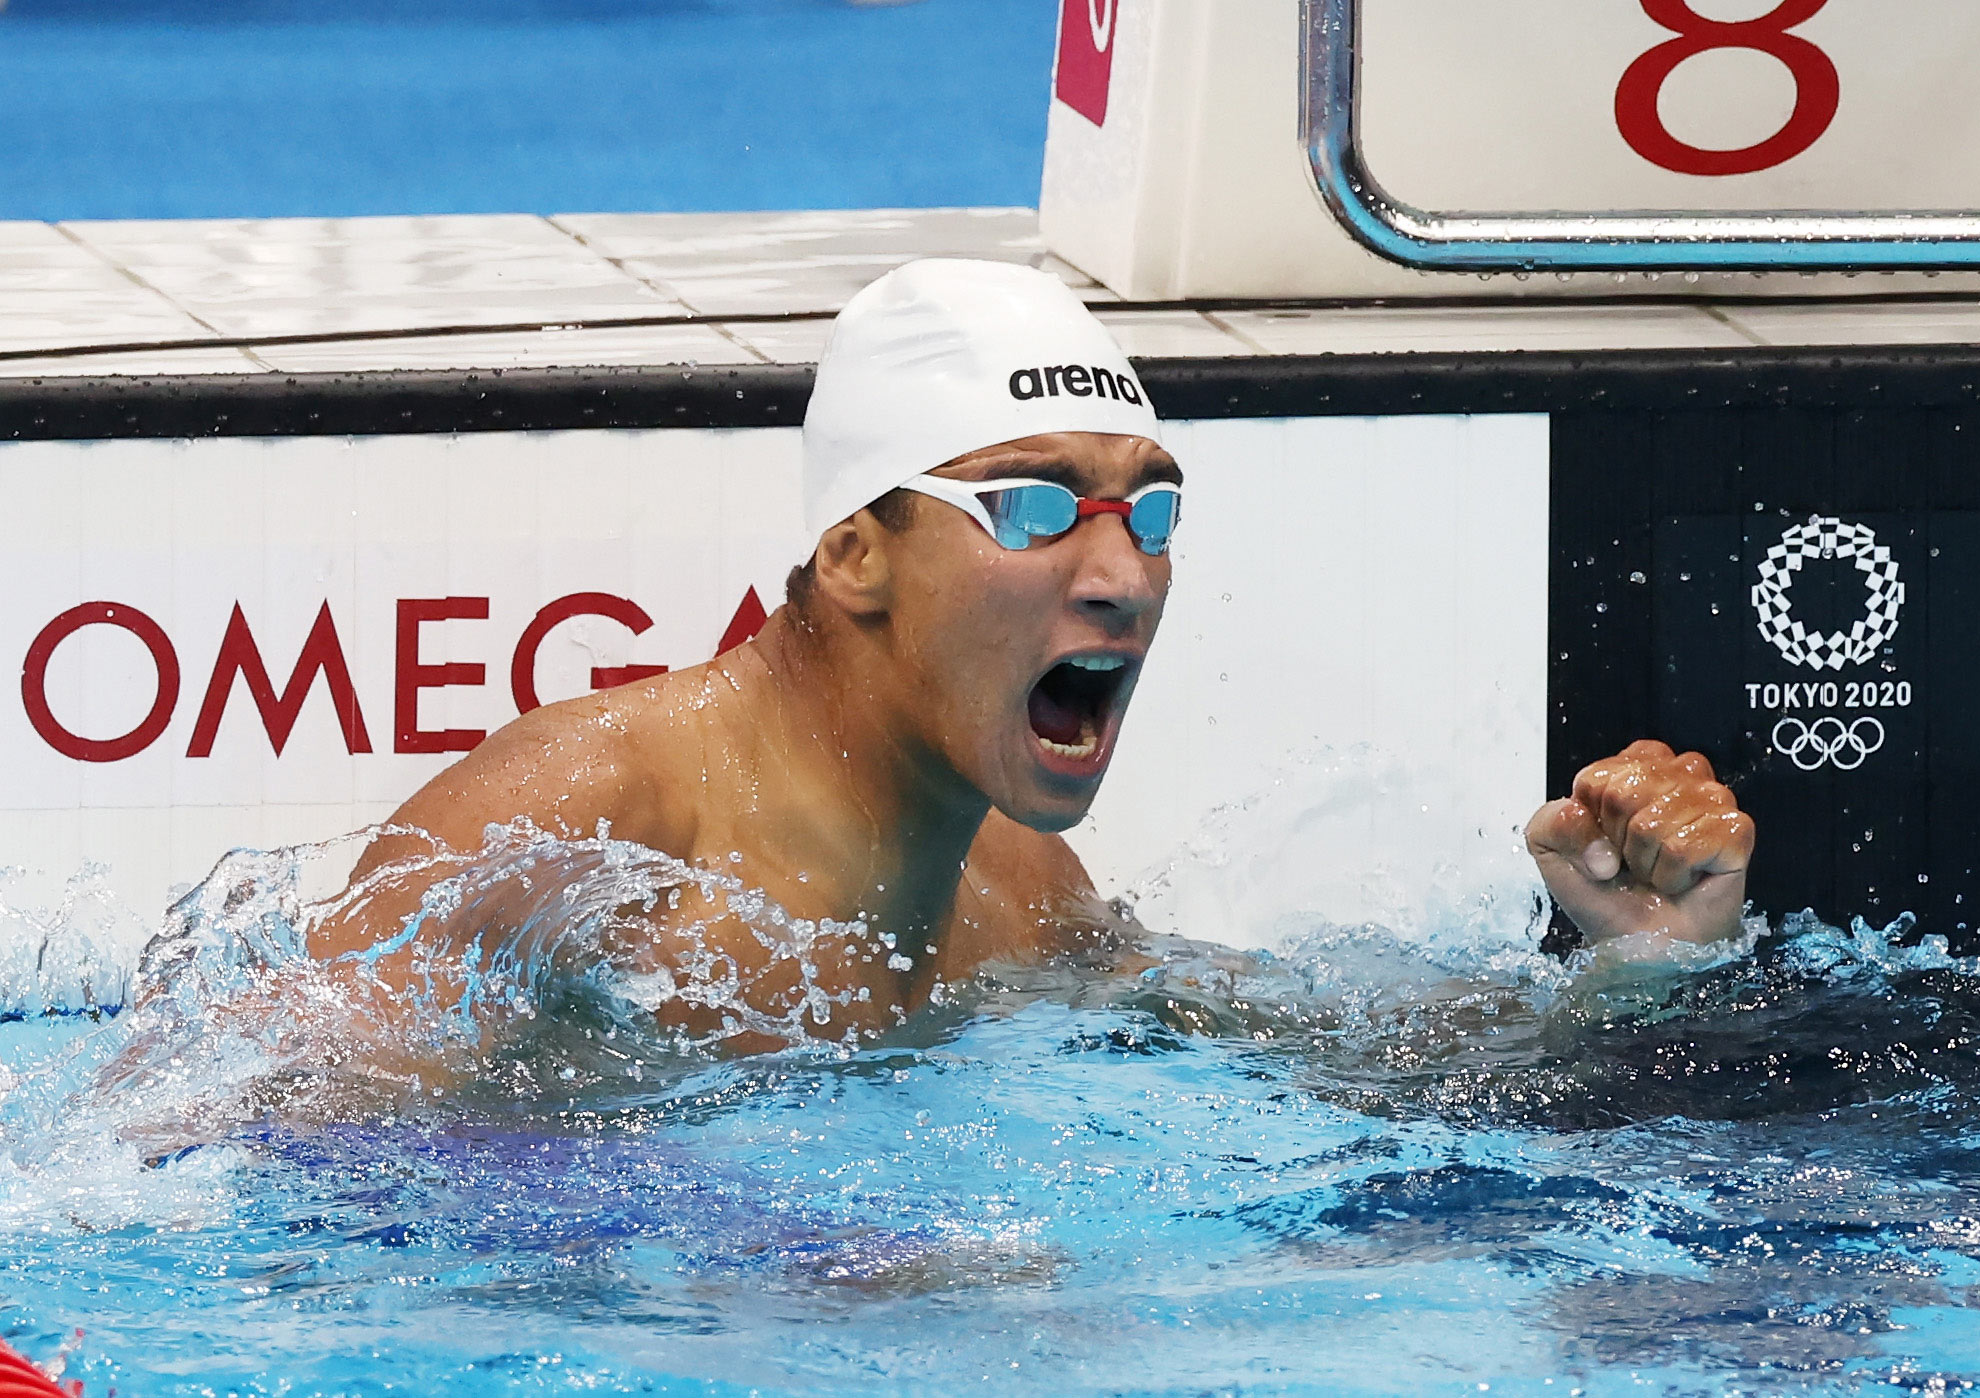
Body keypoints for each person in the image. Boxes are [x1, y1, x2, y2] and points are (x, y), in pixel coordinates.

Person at [309, 259, 1754, 1060]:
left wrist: (1630, 974)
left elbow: (1329, 1055)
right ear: (856, 552)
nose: (1123, 576)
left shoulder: (1017, 888)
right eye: (1035, 505)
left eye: (1152, 507)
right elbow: (237, 1136)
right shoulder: (586, 823)